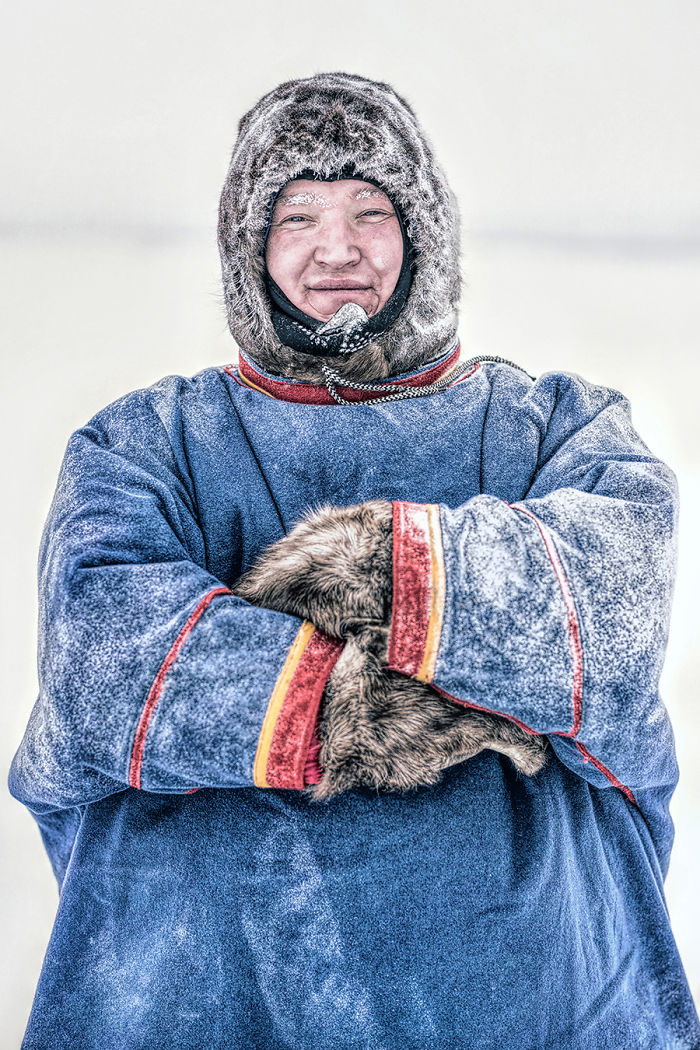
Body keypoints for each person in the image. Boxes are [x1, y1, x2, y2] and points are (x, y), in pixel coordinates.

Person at [8, 71, 700, 1049]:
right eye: (297, 216)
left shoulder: (556, 429)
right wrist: (374, 704)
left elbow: (611, 603)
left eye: (370, 210)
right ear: (249, 245)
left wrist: (368, 570)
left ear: (423, 233)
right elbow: (105, 663)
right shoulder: (141, 447)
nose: (337, 249)